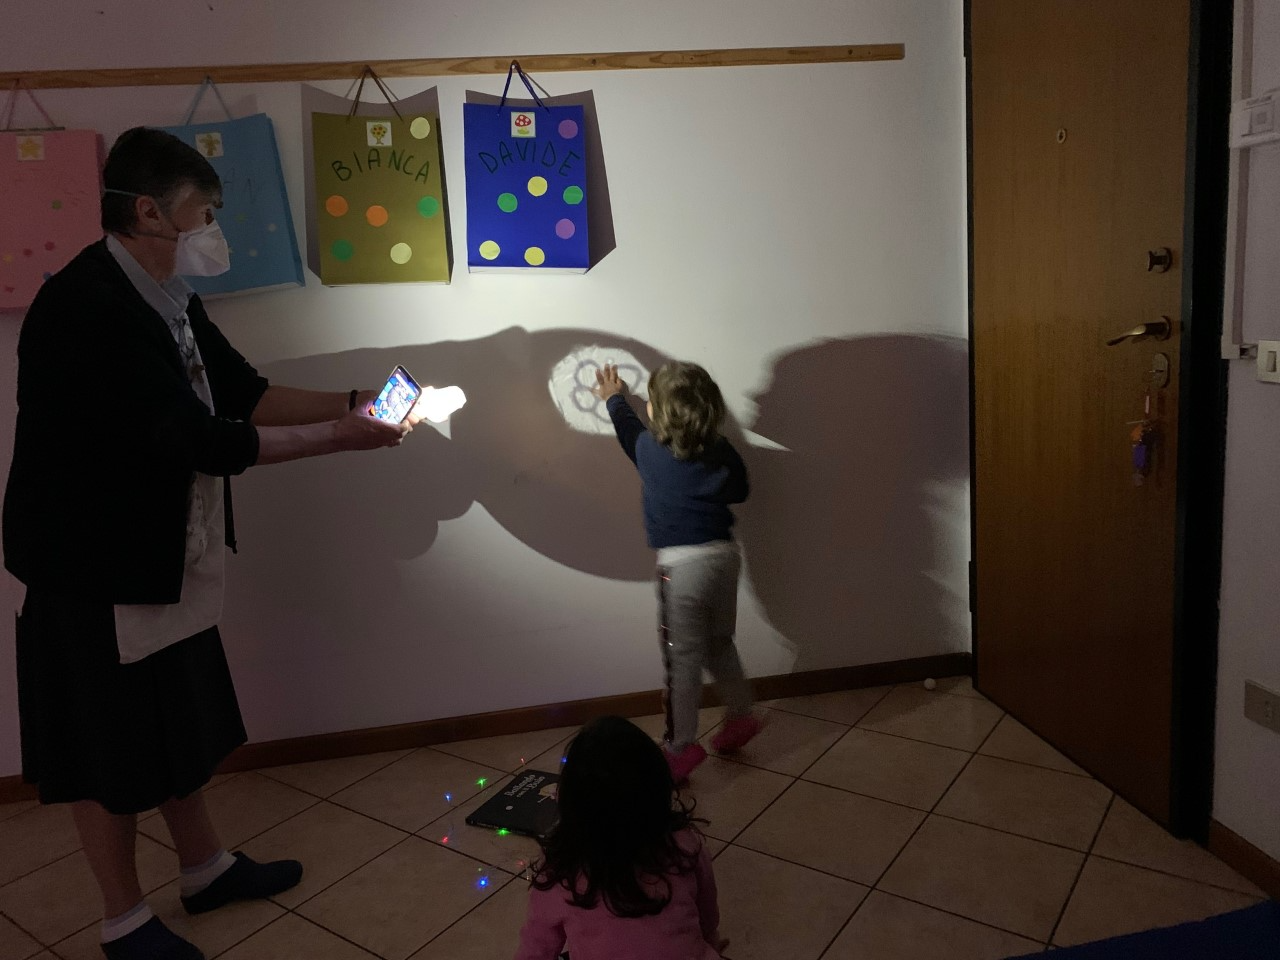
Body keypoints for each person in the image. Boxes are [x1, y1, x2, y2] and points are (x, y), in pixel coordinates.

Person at [2, 127, 414, 960]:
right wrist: (341, 437)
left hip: (161, 553)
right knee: (106, 751)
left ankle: (205, 869)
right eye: (206, 211)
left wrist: (358, 401)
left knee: (175, 720)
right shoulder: (86, 308)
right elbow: (201, 439)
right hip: (91, 570)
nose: (215, 228)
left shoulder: (170, 296)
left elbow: (244, 394)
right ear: (149, 212)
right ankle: (122, 920)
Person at [594, 362, 760, 782]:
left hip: (682, 569)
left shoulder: (649, 449)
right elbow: (741, 490)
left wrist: (614, 398)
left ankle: (680, 747)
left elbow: (627, 430)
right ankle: (741, 716)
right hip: (724, 557)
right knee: (719, 643)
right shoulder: (721, 449)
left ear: (657, 411)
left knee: (681, 661)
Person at [514, 716, 726, 960]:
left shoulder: (561, 868)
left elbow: (536, 948)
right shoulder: (683, 844)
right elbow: (708, 918)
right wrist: (710, 940)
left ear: (571, 804)